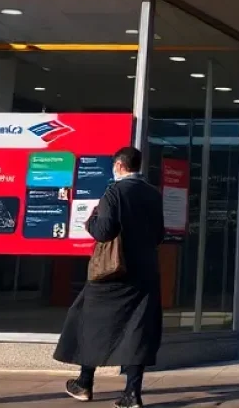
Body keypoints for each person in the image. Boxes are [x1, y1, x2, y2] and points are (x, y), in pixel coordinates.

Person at [56, 146, 164, 407]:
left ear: (119, 166)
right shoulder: (153, 194)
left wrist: (90, 220)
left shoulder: (114, 192)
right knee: (139, 328)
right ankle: (132, 393)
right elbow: (159, 234)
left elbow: (104, 232)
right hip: (145, 271)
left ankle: (85, 382)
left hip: (113, 272)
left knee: (89, 319)